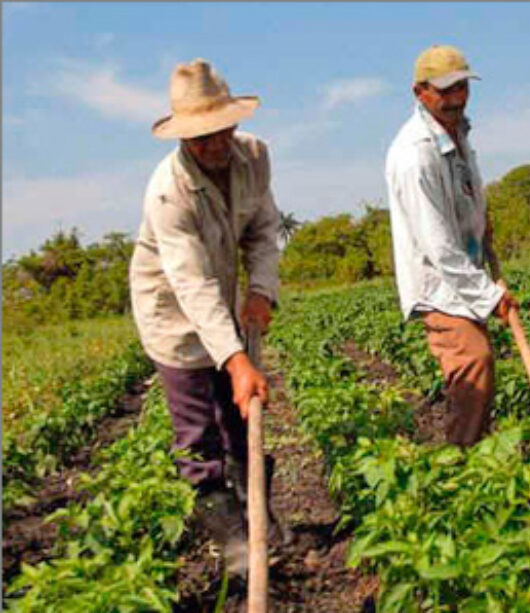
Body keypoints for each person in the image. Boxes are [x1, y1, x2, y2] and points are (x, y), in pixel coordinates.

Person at [129, 58, 280, 576]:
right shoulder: (168, 191)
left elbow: (263, 228)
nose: (215, 145)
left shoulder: (254, 156)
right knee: (199, 436)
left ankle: (259, 521)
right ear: (183, 139)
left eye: (221, 131)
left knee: (240, 419)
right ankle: (238, 555)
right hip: (173, 314)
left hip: (223, 300)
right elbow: (190, 284)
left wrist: (261, 290)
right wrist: (236, 360)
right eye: (201, 138)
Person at [385, 44, 518, 446]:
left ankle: (474, 450)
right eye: (445, 90)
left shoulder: (458, 132)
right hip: (440, 285)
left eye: (462, 86)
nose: (456, 98)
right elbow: (438, 245)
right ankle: (463, 471)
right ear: (419, 93)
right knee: (474, 364)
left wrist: (483, 226)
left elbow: (464, 199)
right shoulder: (414, 156)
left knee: (477, 376)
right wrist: (489, 296)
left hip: (467, 273)